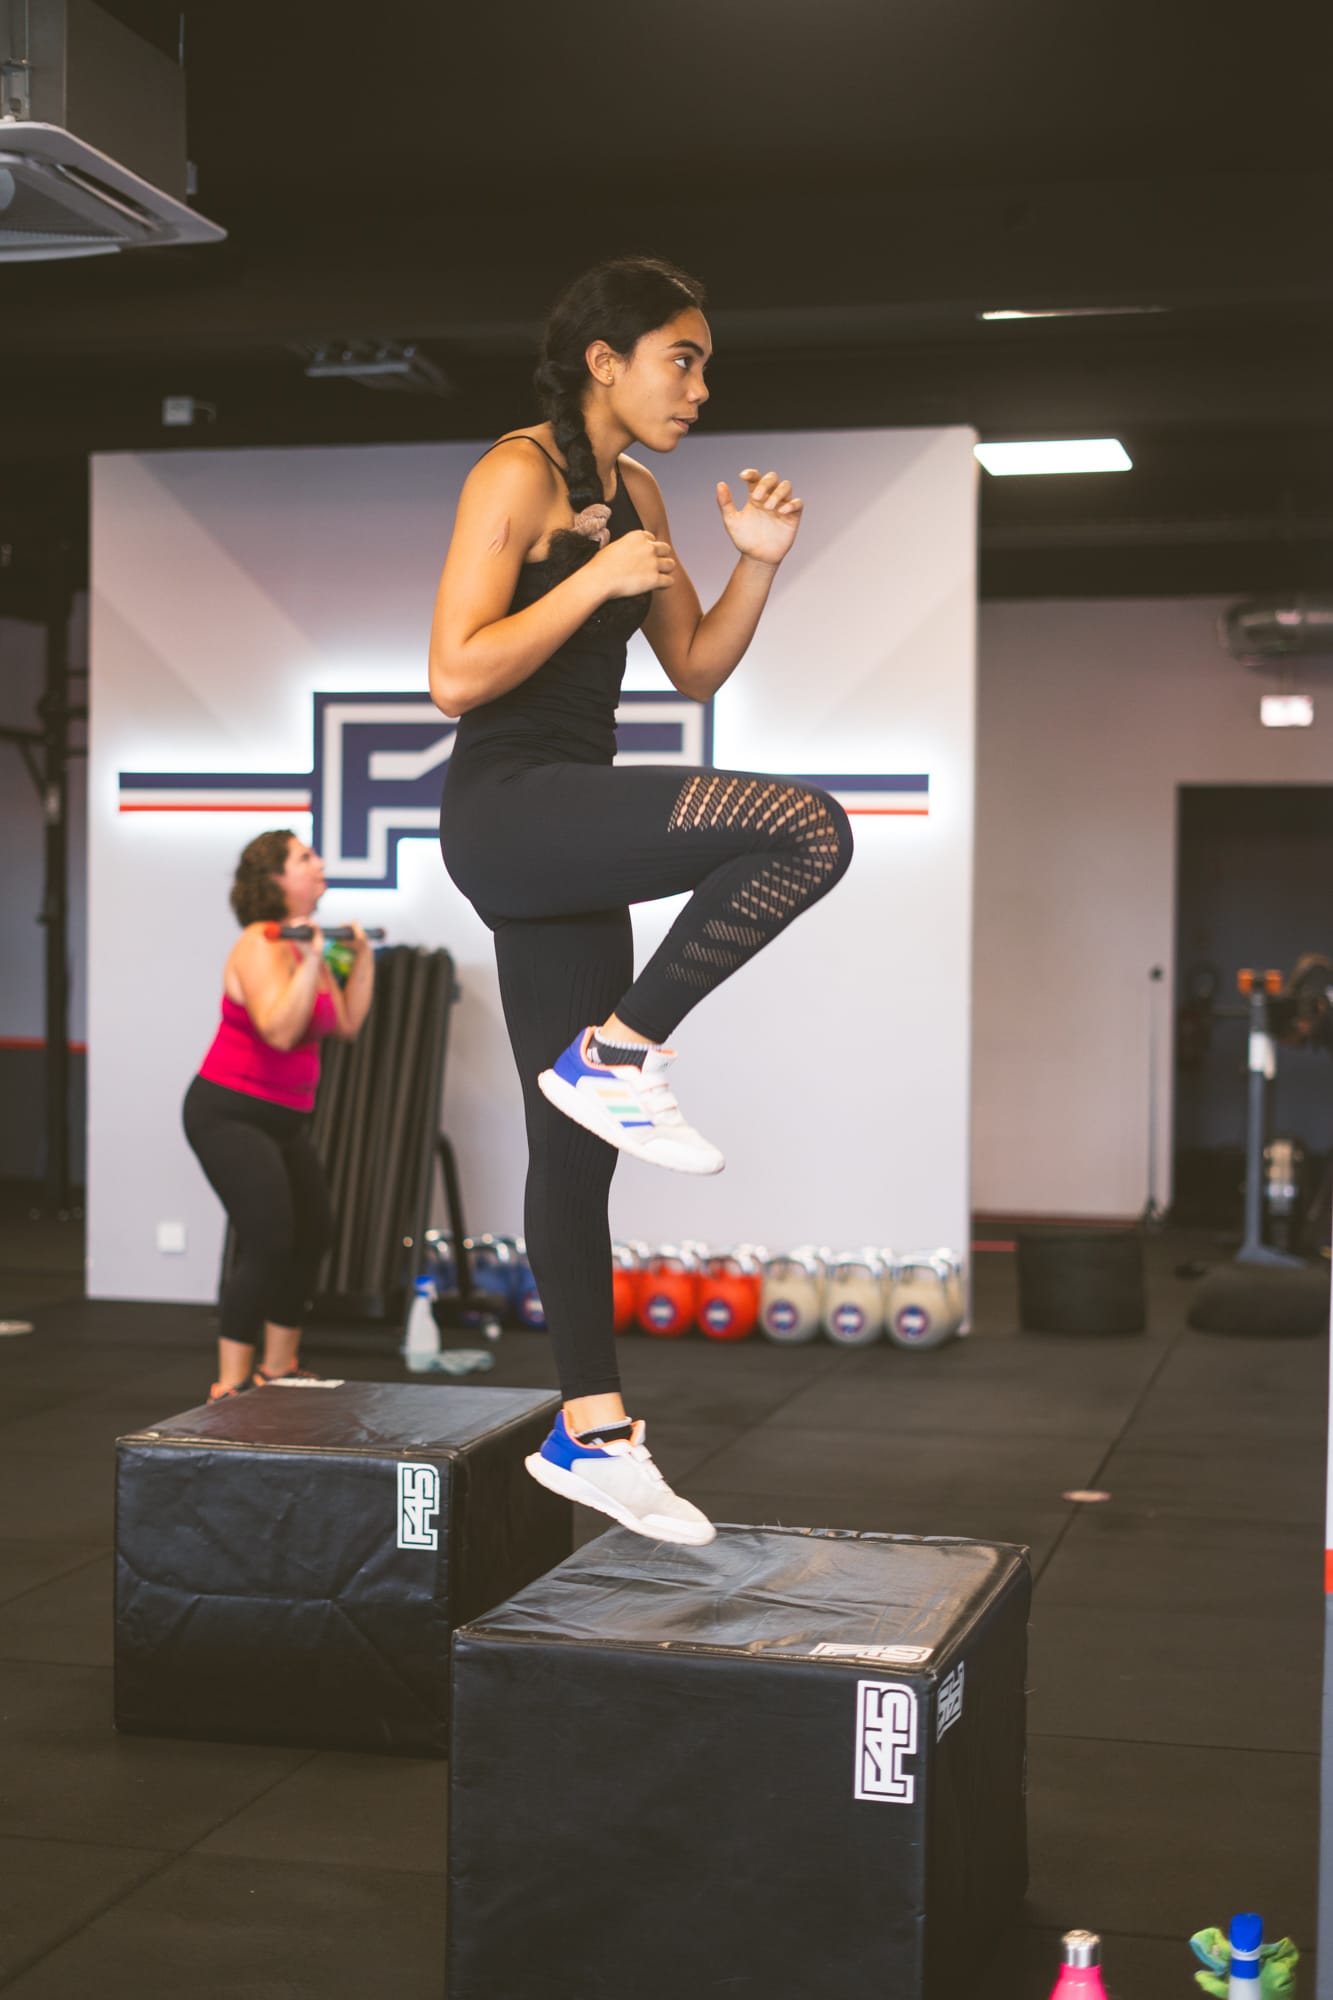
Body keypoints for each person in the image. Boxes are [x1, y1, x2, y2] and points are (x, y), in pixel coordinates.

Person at [430, 256, 853, 1545]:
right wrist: (585, 582)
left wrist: (758, 565)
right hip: (510, 807)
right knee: (805, 827)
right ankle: (620, 1050)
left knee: (575, 1152)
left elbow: (691, 664)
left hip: (571, 822)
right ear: (605, 359)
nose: (701, 385)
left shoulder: (643, 489)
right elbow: (453, 672)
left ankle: (591, 1432)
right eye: (684, 357)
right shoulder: (516, 472)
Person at [182, 830, 375, 1402]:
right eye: (304, 858)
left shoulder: (298, 944)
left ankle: (279, 1366)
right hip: (228, 1111)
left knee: (314, 1232)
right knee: (268, 1238)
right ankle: (232, 1384)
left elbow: (346, 1025)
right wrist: (314, 957)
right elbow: (280, 1030)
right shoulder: (261, 943)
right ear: (274, 881)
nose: (318, 865)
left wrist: (359, 960)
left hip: (286, 1118)